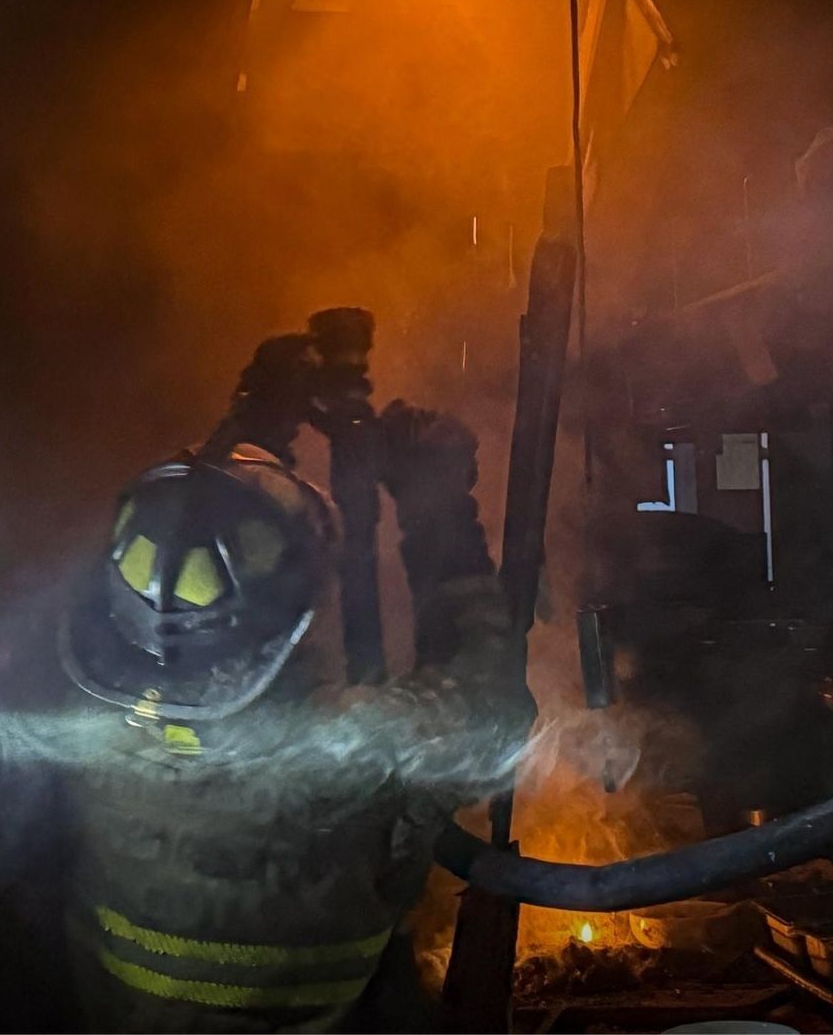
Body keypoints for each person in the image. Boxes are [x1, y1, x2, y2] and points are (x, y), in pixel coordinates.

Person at [57, 323, 537, 1032]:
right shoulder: (343, 762)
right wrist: (440, 512)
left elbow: (201, 555)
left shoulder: (87, 728)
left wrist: (253, 428)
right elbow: (493, 704)